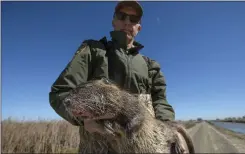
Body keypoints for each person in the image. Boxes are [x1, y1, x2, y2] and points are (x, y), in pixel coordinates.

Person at [49, 0, 175, 153]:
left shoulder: (150, 66)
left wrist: (167, 129)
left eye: (133, 19)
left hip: (146, 146)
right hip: (98, 147)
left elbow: (160, 101)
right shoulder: (93, 51)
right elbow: (60, 93)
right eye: (122, 16)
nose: (127, 22)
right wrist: (83, 120)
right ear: (114, 21)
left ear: (139, 27)